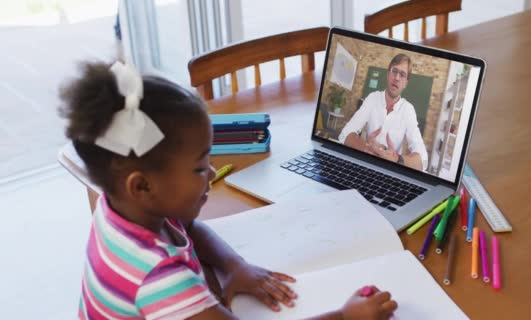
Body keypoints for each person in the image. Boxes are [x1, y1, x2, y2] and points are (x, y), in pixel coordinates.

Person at [60, 61, 398, 320]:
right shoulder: (159, 279)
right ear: (142, 185)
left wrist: (234, 266)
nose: (210, 173)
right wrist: (344, 316)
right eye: (197, 167)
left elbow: (189, 228)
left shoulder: (124, 208)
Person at [338, 54, 428, 171]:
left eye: (402, 74)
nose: (396, 78)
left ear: (406, 82)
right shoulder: (372, 98)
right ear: (388, 74)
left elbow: (423, 160)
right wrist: (368, 148)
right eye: (394, 71)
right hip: (366, 162)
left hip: (390, 170)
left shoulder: (408, 110)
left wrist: (396, 159)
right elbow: (345, 134)